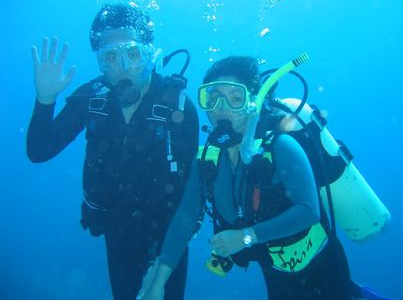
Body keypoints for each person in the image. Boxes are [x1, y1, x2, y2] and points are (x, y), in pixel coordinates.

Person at [141, 56, 361, 300]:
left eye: (235, 98)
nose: (221, 108)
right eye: (212, 98)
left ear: (252, 104)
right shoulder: (206, 160)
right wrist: (158, 281)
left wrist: (247, 237)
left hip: (324, 268)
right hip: (275, 273)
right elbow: (185, 217)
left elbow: (309, 211)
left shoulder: (280, 147)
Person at [26, 3, 199, 300]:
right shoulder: (92, 97)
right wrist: (45, 99)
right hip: (116, 230)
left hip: (166, 234)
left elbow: (189, 196)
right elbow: (39, 151)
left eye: (133, 54)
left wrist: (163, 265)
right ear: (100, 62)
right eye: (110, 57)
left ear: (150, 52)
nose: (123, 68)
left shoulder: (177, 107)